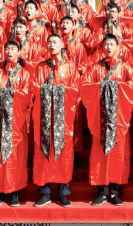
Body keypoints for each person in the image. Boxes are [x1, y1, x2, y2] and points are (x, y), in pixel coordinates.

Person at [80, 34, 133, 206]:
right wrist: (103, 89)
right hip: (101, 119)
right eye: (105, 44)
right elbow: (84, 86)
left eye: (111, 44)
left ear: (118, 47)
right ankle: (101, 190)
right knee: (100, 155)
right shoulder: (94, 68)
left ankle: (115, 190)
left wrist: (118, 89)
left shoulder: (126, 68)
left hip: (119, 119)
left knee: (118, 155)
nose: (108, 47)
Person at [0, 39, 33, 207]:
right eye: (7, 48)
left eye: (13, 48)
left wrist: (9, 94)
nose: (10, 51)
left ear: (19, 52)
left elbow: (27, 95)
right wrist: (0, 94)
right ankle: (0, 191)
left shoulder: (25, 73)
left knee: (16, 158)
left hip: (16, 121)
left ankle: (15, 192)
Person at [31, 33, 80, 207]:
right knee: (44, 151)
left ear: (62, 45)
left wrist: (58, 92)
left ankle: (63, 191)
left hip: (63, 117)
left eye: (55, 42)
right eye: (49, 42)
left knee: (64, 153)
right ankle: (44, 191)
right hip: (44, 116)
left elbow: (76, 90)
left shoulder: (70, 66)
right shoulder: (41, 67)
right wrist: (49, 91)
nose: (51, 45)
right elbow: (34, 87)